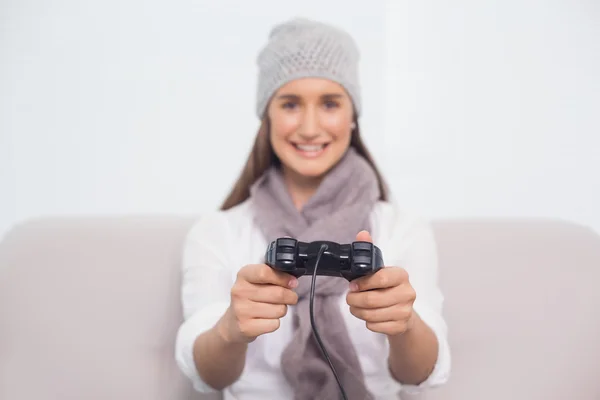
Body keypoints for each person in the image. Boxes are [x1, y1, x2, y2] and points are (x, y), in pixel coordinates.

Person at [175, 17, 450, 400]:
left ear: (352, 116)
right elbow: (208, 376)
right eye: (290, 104)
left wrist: (403, 324)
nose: (309, 127)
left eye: (330, 103)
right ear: (266, 116)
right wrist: (230, 330)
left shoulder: (403, 228)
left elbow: (417, 375)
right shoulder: (217, 232)